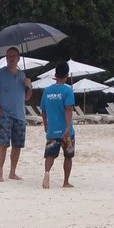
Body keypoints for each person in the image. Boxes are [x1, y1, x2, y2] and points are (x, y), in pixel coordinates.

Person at [0, 46, 31, 182]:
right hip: (6, 114)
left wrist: (29, 86)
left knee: (17, 145)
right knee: (3, 144)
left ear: (18, 58)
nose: (11, 59)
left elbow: (27, 97)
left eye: (13, 56)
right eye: (8, 56)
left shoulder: (22, 75)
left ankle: (12, 172)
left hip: (20, 115)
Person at [39, 60, 76, 189]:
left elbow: (43, 110)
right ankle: (65, 181)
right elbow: (68, 110)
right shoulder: (68, 91)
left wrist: (45, 124)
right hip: (66, 131)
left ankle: (47, 173)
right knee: (68, 156)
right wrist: (67, 128)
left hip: (52, 129)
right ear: (67, 75)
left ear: (55, 74)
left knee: (50, 155)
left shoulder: (47, 91)